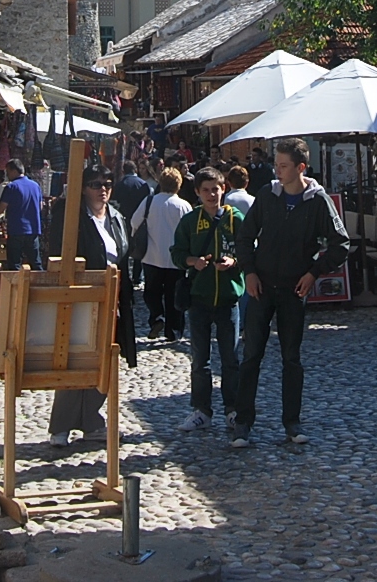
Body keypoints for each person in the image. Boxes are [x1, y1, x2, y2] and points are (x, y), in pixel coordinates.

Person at [231, 139, 350, 447]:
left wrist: (314, 273)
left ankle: (292, 423)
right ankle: (243, 422)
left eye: (283, 166)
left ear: (300, 168)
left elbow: (341, 244)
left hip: (293, 290)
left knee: (291, 358)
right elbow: (245, 236)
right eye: (276, 165)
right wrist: (249, 272)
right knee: (251, 356)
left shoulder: (317, 201)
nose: (278, 171)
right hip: (261, 286)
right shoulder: (267, 195)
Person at [48, 166, 138, 447]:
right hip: (81, 298)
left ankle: (92, 422)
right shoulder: (71, 217)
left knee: (105, 361)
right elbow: (58, 252)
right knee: (75, 360)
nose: (103, 189)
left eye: (107, 183)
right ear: (83, 188)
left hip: (113, 300)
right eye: (96, 184)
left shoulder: (117, 218)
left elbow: (123, 255)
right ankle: (61, 426)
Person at [169, 167, 244, 432]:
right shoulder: (190, 221)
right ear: (198, 193)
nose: (212, 195)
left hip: (228, 298)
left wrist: (234, 262)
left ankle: (233, 409)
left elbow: (250, 250)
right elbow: (177, 253)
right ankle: (201, 410)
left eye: (216, 189)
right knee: (200, 359)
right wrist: (193, 261)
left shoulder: (235, 219)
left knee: (230, 359)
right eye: (206, 190)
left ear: (224, 189)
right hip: (199, 298)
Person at [129, 166, 193, 341]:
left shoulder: (149, 202)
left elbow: (134, 222)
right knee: (174, 295)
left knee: (152, 292)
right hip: (176, 260)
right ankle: (174, 331)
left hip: (152, 256)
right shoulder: (184, 206)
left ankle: (157, 317)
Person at [0, 158, 44, 271]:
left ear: (14, 170)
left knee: (15, 264)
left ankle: (16, 283)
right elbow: (40, 207)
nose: (7, 175)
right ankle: (41, 282)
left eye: (8, 172)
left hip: (16, 230)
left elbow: (0, 209)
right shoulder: (35, 186)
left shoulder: (11, 187)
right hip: (33, 230)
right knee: (36, 263)